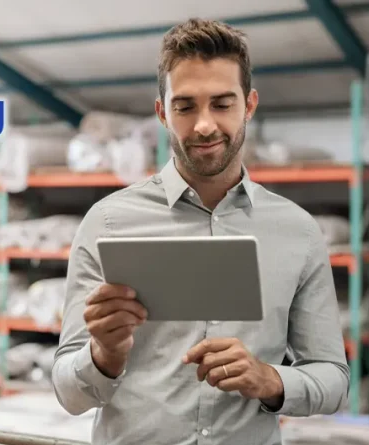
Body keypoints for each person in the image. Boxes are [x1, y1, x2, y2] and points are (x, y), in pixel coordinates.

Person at [51, 18, 350, 445]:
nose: (204, 125)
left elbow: (334, 380)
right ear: (162, 112)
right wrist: (104, 355)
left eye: (222, 104)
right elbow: (68, 392)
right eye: (185, 106)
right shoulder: (107, 223)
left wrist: (269, 379)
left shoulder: (298, 232)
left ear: (249, 105)